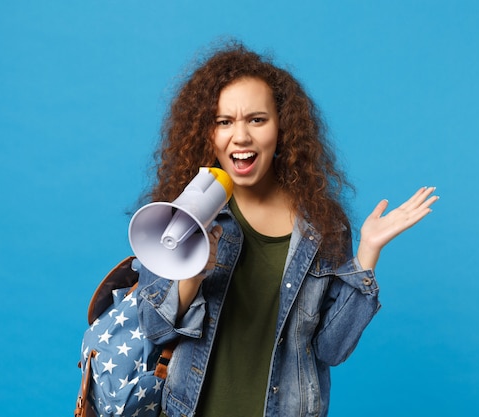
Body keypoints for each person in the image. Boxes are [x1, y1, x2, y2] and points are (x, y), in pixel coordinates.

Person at [135, 41, 438, 417]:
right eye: (224, 121)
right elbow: (154, 329)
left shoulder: (321, 225)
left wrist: (366, 256)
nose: (240, 136)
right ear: (206, 132)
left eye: (256, 120)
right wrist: (191, 273)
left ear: (282, 127)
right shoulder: (178, 216)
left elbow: (331, 349)